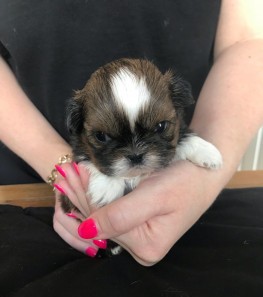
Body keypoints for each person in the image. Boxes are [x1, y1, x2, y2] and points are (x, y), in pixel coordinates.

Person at [0, 0, 263, 267]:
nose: (136, 153)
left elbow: (248, 40)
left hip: (196, 208)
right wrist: (67, 176)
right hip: (26, 195)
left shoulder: (181, 136)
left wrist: (205, 176)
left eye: (160, 128)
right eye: (103, 137)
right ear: (77, 123)